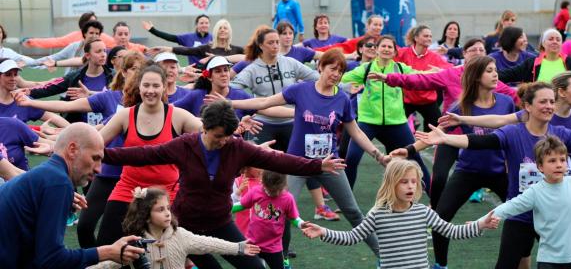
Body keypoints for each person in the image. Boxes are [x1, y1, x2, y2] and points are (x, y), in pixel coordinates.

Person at [100, 100, 346, 269]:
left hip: (221, 222)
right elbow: (142, 154)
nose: (224, 141)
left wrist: (317, 166)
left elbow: (277, 160)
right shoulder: (184, 145)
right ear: (204, 129)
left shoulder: (236, 148)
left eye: (228, 135)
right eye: (219, 136)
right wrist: (101, 153)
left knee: (254, 266)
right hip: (186, 226)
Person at [208, 49, 396, 259]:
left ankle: (385, 256)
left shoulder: (342, 99)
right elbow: (264, 102)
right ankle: (282, 258)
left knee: (353, 211)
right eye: (332, 69)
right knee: (279, 210)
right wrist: (230, 103)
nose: (336, 74)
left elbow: (356, 132)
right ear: (321, 67)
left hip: (328, 164)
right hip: (296, 164)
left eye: (340, 71)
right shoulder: (301, 90)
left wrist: (378, 155)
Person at [411, 82, 571, 268]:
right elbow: (480, 141)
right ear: (528, 106)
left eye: (552, 102)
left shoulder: (561, 133)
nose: (549, 106)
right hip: (522, 215)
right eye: (543, 102)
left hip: (554, 215)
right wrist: (446, 138)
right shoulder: (513, 133)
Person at [366, 38, 518, 209]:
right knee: (438, 179)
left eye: (481, 50)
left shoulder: (496, 88)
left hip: (485, 148)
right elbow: (419, 81)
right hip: (448, 137)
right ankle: (435, 210)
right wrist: (389, 78)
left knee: (516, 205)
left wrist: (543, 101)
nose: (478, 53)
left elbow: (518, 100)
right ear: (464, 54)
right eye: (473, 50)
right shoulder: (451, 76)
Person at [301, 159, 497, 269]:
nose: (411, 186)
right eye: (404, 182)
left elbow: (452, 231)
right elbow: (351, 237)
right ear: (391, 184)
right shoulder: (378, 214)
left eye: (413, 181)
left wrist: (480, 225)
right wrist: (323, 232)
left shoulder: (422, 212)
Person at [0, 123, 145, 269]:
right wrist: (107, 252)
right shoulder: (58, 183)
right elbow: (51, 259)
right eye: (95, 158)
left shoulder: (48, 176)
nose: (99, 169)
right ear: (72, 150)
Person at [96, 65, 203, 245]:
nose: (150, 91)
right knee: (106, 244)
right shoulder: (125, 116)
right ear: (139, 87)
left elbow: (210, 133)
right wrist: (58, 144)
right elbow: (96, 142)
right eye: (146, 85)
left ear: (164, 87)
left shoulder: (178, 116)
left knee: (176, 249)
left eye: (155, 86)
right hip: (129, 189)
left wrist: (236, 129)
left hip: (167, 193)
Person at [430, 56, 514, 269]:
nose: (495, 74)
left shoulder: (506, 102)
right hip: (468, 171)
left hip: (500, 171)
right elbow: (439, 135)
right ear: (476, 77)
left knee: (525, 216)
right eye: (489, 71)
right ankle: (440, 265)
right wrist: (409, 149)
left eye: (496, 70)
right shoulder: (460, 107)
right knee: (441, 218)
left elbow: (514, 135)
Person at [490, 136, 571, 269]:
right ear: (540, 166)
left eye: (562, 160)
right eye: (552, 161)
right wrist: (479, 223)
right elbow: (508, 208)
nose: (559, 164)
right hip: (549, 262)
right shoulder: (535, 192)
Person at [88, 187, 260, 269]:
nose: (167, 214)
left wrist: (238, 247)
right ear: (146, 215)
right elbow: (110, 263)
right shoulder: (137, 243)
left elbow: (208, 243)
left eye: (168, 208)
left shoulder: (180, 236)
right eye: (160, 210)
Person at [340, 35, 431, 190]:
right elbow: (341, 78)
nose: (386, 49)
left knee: (415, 157)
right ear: (376, 49)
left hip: (396, 123)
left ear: (395, 51)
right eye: (383, 46)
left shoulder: (400, 68)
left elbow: (420, 77)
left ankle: (435, 200)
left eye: (390, 47)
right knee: (352, 159)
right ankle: (346, 201)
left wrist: (440, 73)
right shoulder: (366, 68)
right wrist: (334, 83)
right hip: (367, 122)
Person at [28, 38, 114, 124]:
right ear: (88, 55)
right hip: (80, 130)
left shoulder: (115, 77)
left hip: (108, 130)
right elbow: (48, 88)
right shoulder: (74, 77)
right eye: (98, 51)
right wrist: (27, 92)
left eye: (104, 51)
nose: (103, 55)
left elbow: (120, 97)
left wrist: (90, 95)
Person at [233, 171, 305, 269]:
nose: (272, 194)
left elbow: (293, 217)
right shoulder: (255, 191)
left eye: (276, 191)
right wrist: (223, 209)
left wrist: (301, 224)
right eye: (269, 191)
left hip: (273, 247)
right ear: (262, 182)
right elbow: (241, 205)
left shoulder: (288, 198)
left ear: (284, 185)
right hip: (253, 243)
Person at [396, 25, 453, 130]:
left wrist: (440, 71)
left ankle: (427, 143)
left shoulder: (434, 57)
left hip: (427, 100)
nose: (429, 38)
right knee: (394, 126)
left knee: (439, 127)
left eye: (430, 36)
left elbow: (451, 70)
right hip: (406, 99)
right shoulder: (403, 53)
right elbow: (387, 59)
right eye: (426, 36)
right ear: (416, 38)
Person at [499, 28, 571, 87]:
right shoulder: (532, 63)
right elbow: (507, 75)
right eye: (550, 39)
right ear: (543, 43)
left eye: (558, 39)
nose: (555, 41)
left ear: (561, 43)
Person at [0, 58, 69, 127]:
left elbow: (54, 118)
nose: (13, 78)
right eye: (8, 74)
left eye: (15, 74)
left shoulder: (22, 100)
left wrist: (74, 132)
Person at [153, 19, 243, 66]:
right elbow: (188, 50)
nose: (222, 30)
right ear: (215, 31)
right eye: (220, 28)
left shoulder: (237, 50)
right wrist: (167, 49)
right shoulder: (207, 48)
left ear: (229, 31)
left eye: (225, 28)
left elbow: (251, 56)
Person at [31, 20, 105, 75]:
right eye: (91, 33)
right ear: (84, 33)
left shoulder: (103, 50)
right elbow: (55, 56)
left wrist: (56, 64)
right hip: (69, 86)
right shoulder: (74, 46)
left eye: (97, 33)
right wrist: (31, 63)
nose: (94, 36)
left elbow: (81, 61)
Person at [142, 14, 212, 65]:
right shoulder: (188, 37)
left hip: (210, 70)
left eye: (206, 23)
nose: (204, 25)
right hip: (193, 70)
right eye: (201, 23)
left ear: (209, 24)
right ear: (196, 25)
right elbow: (171, 37)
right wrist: (153, 30)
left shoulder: (214, 38)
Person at [22, 11, 115, 49]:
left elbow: (119, 45)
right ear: (83, 24)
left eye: (95, 22)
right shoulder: (74, 37)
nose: (94, 25)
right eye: (91, 22)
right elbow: (56, 41)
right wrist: (33, 42)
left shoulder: (103, 37)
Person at [315, 14, 385, 54]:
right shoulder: (359, 41)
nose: (378, 27)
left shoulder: (385, 42)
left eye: (380, 25)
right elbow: (339, 47)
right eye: (375, 25)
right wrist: (313, 51)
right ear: (367, 25)